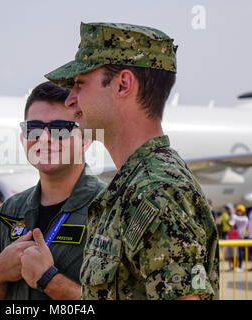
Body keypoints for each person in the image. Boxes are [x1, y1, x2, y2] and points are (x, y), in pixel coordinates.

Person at [45, 22, 219, 300]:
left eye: (79, 84)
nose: (70, 100)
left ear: (123, 85)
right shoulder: (134, 184)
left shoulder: (157, 191)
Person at [0, 81, 105, 300]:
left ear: (86, 139)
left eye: (60, 129)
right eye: (33, 128)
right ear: (23, 137)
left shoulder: (112, 210)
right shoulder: (9, 213)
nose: (44, 139)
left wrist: (49, 281)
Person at [232, 204, 249, 271]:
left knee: (241, 252)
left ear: (243, 211)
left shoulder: (245, 218)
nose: (239, 212)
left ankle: (240, 266)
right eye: (238, 210)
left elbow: (235, 219)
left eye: (240, 210)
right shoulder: (235, 217)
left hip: (242, 237)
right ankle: (235, 266)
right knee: (235, 252)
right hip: (235, 237)